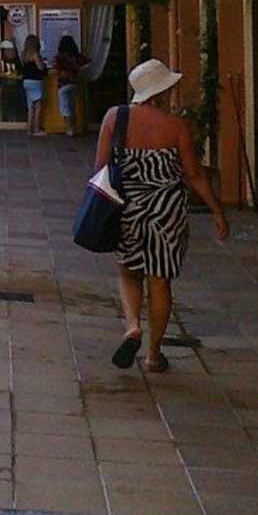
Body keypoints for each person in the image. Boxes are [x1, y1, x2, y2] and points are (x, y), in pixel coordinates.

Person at [99, 59, 228, 374]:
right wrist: (217, 211)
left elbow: (100, 167)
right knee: (160, 281)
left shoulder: (114, 118)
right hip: (167, 212)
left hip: (128, 208)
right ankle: (154, 354)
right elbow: (194, 175)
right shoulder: (176, 126)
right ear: (160, 92)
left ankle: (133, 325)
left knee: (129, 271)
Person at [54, 34, 91, 136]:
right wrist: (79, 70)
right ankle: (74, 128)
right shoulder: (78, 56)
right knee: (72, 107)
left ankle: (69, 129)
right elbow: (88, 63)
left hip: (63, 85)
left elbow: (57, 70)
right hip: (75, 84)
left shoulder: (60, 57)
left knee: (65, 108)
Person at [19, 35, 48, 137]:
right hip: (35, 81)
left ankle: (29, 129)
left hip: (26, 81)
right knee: (38, 106)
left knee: (30, 106)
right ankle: (36, 129)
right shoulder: (35, 54)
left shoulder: (24, 55)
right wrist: (44, 64)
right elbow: (40, 68)